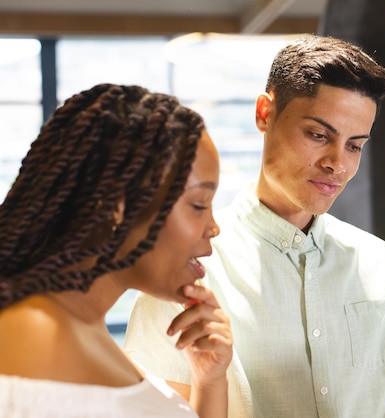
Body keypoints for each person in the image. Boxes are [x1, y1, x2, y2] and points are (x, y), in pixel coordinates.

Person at [124, 35, 385, 417]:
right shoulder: (186, 270)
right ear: (265, 113)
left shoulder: (378, 260)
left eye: (355, 145)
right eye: (318, 135)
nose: (337, 163)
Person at [0, 83, 232, 417]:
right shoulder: (34, 339)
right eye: (198, 204)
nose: (214, 227)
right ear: (120, 206)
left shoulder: (85, 330)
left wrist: (209, 382)